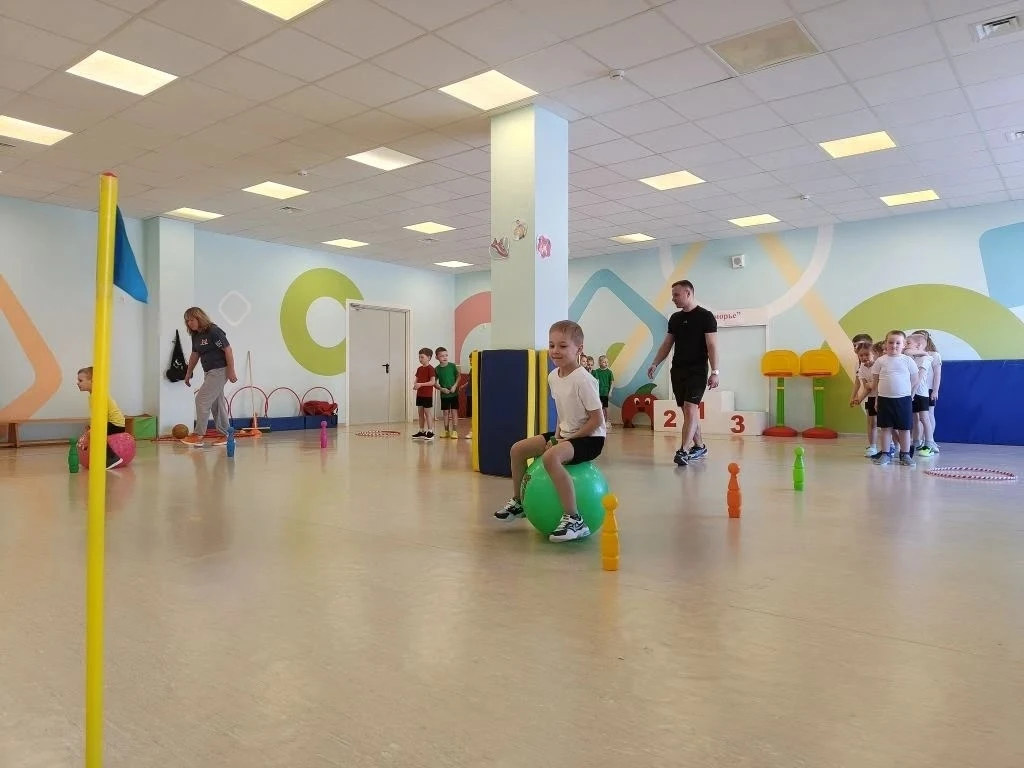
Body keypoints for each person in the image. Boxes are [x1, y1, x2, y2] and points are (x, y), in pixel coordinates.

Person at [494, 320, 606, 543]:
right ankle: (519, 502)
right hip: (566, 434)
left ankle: (574, 519)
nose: (555, 351)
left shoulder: (584, 380)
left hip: (590, 438)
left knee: (550, 458)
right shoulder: (553, 376)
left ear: (579, 349)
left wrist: (565, 441)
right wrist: (556, 437)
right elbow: (563, 414)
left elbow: (597, 420)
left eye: (563, 346)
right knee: (517, 450)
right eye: (552, 345)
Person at [647, 280, 719, 466]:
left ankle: (683, 450)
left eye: (676, 295)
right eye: (672, 295)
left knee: (690, 408)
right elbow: (667, 343)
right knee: (688, 412)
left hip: (697, 370)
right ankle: (700, 446)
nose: (673, 299)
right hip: (678, 370)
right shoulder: (675, 319)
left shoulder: (706, 317)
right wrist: (655, 363)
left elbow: (712, 346)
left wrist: (715, 371)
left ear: (688, 293)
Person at [181, 307, 236, 447]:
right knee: (217, 403)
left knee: (201, 400)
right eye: (187, 321)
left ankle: (198, 435)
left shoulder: (213, 331)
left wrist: (231, 371)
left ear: (199, 318)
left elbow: (228, 350)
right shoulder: (195, 335)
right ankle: (226, 435)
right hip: (209, 372)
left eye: (192, 320)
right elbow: (195, 354)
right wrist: (188, 373)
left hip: (220, 370)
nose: (189, 323)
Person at [870, 330, 919, 467]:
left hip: (903, 400)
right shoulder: (880, 361)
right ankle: (885, 454)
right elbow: (875, 382)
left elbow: (915, 379)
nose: (894, 345)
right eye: (891, 342)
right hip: (884, 399)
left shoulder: (908, 360)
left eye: (898, 343)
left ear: (904, 345)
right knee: (886, 428)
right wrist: (876, 399)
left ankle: (905, 455)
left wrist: (908, 393)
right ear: (885, 344)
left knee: (904, 429)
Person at [76, 366, 127, 470]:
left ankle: (112, 458)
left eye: (80, 380)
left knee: (94, 433)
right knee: (91, 432)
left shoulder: (98, 395)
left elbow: (102, 416)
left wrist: (94, 429)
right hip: (111, 423)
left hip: (116, 424)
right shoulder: (93, 395)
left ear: (92, 381)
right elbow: (97, 415)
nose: (78, 383)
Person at [912, 329, 941, 456]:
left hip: (928, 389)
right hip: (916, 389)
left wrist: (935, 390)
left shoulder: (934, 355)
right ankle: (917, 440)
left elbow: (937, 374)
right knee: (916, 417)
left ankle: (930, 441)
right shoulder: (913, 355)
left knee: (929, 415)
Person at [906, 333, 935, 457]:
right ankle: (916, 442)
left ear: (918, 345)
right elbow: (906, 352)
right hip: (912, 392)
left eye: (908, 343)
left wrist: (912, 393)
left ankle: (929, 444)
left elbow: (919, 378)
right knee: (915, 419)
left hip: (921, 393)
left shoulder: (926, 358)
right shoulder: (913, 358)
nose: (906, 346)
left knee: (924, 418)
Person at [849, 341, 877, 457]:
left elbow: (877, 385)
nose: (864, 357)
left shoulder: (879, 365)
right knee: (871, 423)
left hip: (884, 398)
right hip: (871, 398)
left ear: (873, 353)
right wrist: (859, 399)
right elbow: (867, 387)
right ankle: (872, 446)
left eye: (867, 354)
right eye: (861, 355)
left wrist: (872, 384)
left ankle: (892, 445)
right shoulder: (861, 368)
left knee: (888, 424)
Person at [434, 346, 461, 439]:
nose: (444, 357)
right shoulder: (436, 369)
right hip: (444, 395)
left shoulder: (452, 366)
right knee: (445, 413)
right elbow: (434, 383)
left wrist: (455, 386)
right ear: (437, 357)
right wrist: (442, 389)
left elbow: (458, 377)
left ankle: (455, 431)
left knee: (454, 412)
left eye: (446, 355)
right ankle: (446, 431)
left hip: (454, 393)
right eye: (442, 356)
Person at [411, 347, 436, 441]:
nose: (420, 359)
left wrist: (421, 384)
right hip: (420, 395)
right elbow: (416, 380)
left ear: (429, 357)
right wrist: (415, 385)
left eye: (422, 357)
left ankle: (430, 432)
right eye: (419, 357)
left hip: (427, 395)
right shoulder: (419, 369)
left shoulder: (431, 369)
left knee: (427, 413)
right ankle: (421, 431)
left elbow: (432, 382)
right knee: (420, 413)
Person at [592, 354, 614, 429]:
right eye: (604, 362)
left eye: (607, 362)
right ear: (600, 363)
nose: (606, 363)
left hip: (605, 392)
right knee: (599, 407)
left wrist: (610, 392)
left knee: (605, 407)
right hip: (597, 393)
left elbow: (612, 383)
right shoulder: (596, 371)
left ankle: (607, 421)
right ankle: (599, 421)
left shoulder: (609, 372)